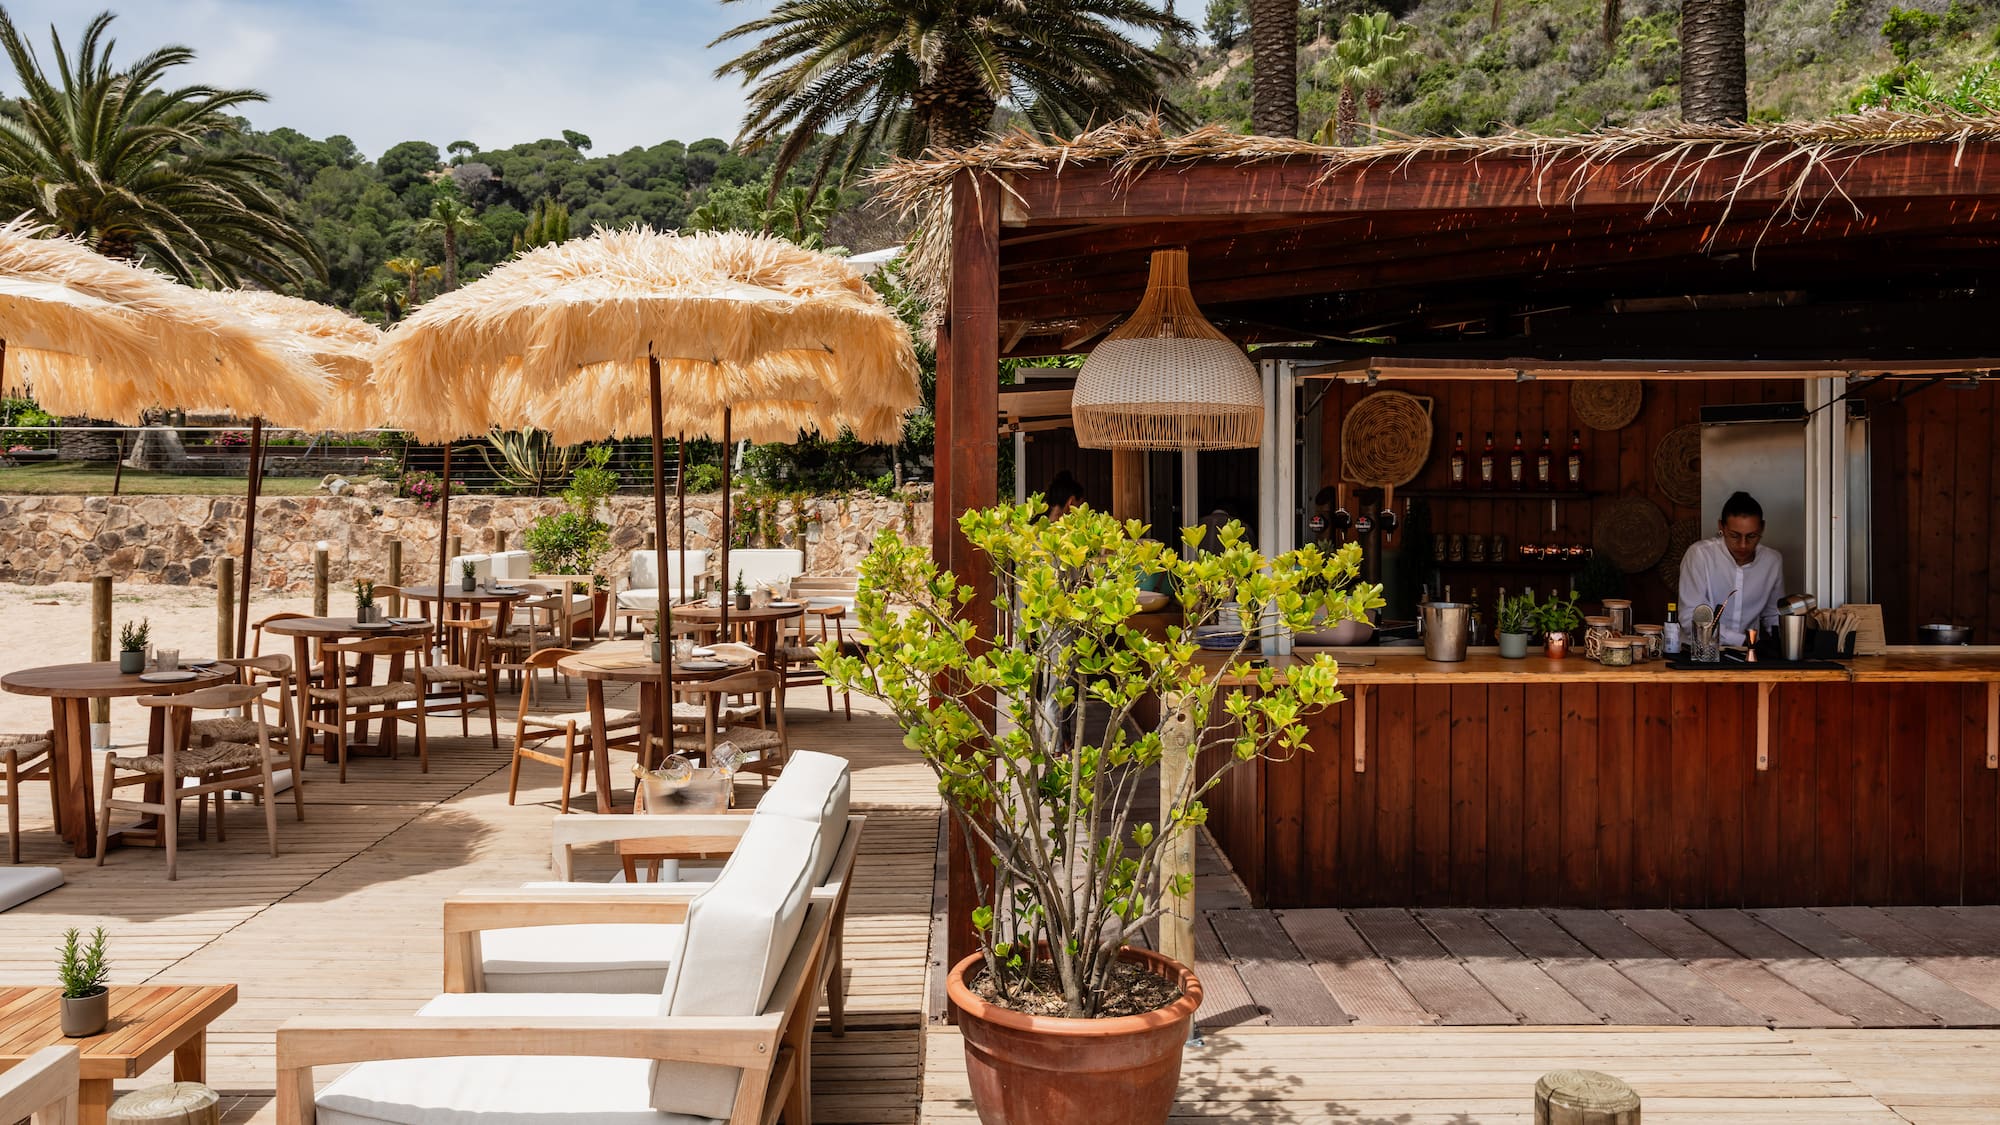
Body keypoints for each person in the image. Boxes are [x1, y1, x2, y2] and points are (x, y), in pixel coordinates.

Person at [1677, 490, 1783, 647]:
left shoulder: (1772, 561)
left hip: (1748, 656)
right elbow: (1691, 617)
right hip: (1698, 655)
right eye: (1734, 535)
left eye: (1751, 536)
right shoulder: (1700, 555)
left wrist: (1789, 639)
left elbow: (1773, 614)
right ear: (1721, 527)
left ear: (1762, 528)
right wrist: (1741, 640)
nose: (1743, 545)